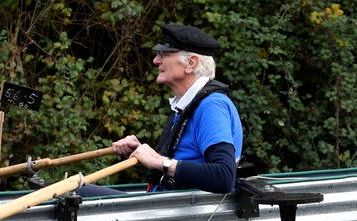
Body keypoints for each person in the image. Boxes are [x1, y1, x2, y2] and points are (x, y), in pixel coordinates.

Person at [78, 23, 243, 197]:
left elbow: (223, 176)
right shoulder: (186, 103)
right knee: (61, 190)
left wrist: (159, 161)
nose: (156, 60)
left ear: (191, 63)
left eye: (164, 54)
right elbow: (185, 159)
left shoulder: (211, 106)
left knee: (70, 193)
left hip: (176, 213)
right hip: (163, 206)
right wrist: (140, 151)